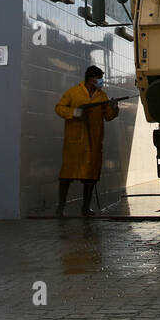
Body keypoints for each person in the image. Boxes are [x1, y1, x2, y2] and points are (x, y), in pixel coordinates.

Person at [55, 65, 120, 216]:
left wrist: (114, 108)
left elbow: (108, 116)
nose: (101, 81)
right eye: (99, 78)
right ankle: (61, 208)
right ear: (92, 79)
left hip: (94, 142)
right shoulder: (73, 93)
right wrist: (74, 112)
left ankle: (85, 208)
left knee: (90, 178)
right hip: (75, 142)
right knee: (66, 176)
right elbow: (59, 108)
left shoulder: (102, 96)